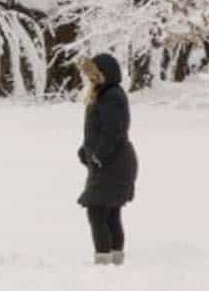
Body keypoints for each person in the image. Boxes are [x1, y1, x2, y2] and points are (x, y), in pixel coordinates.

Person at [77, 54, 139, 266]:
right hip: (112, 161)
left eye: (95, 73)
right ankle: (114, 262)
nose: (91, 78)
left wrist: (97, 153)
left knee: (97, 210)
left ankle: (104, 263)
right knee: (109, 212)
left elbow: (114, 130)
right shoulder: (105, 93)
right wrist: (85, 150)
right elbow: (100, 129)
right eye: (90, 74)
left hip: (113, 162)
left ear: (106, 73)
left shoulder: (112, 95)